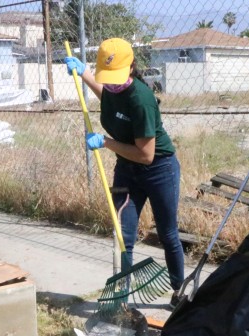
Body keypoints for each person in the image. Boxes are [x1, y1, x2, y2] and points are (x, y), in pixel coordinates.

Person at [65, 38, 185, 308]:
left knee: (168, 234)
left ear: (131, 68)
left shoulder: (141, 99)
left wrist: (105, 143)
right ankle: (121, 298)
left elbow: (146, 154)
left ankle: (180, 290)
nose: (110, 84)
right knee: (124, 236)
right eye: (107, 78)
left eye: (115, 77)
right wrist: (83, 71)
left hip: (158, 169)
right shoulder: (111, 87)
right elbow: (105, 94)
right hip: (127, 171)